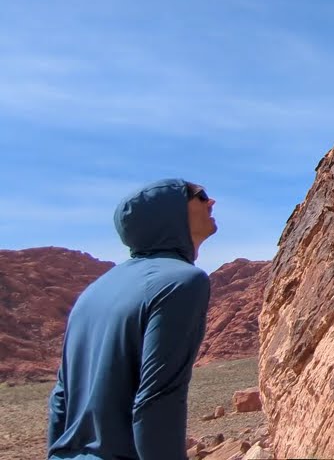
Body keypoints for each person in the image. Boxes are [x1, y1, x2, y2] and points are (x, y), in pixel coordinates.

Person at [48, 179, 217, 460]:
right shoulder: (181, 282)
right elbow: (157, 398)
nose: (211, 202)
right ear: (170, 211)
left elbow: (60, 397)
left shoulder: (94, 290)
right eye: (201, 196)